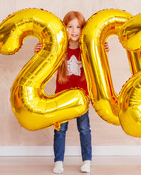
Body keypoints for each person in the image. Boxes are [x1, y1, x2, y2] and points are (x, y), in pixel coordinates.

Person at [34, 11, 110, 174]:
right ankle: (59, 161)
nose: (74, 31)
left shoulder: (87, 49)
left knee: (84, 129)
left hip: (81, 97)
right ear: (64, 28)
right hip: (61, 98)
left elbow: (98, 60)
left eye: (78, 27)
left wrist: (102, 49)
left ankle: (87, 160)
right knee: (60, 130)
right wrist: (40, 50)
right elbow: (43, 60)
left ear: (83, 30)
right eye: (70, 26)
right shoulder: (59, 49)